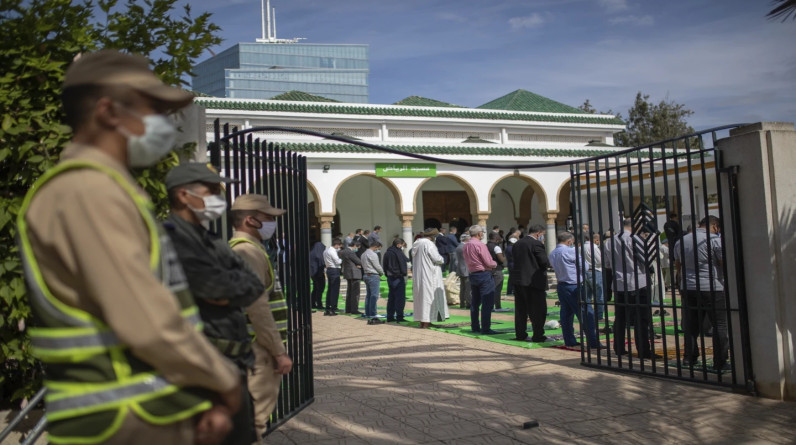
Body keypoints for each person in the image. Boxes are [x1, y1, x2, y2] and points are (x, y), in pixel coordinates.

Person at [17, 50, 241, 445]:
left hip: (140, 414)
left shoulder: (108, 189)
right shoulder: (87, 192)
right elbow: (146, 320)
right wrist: (221, 379)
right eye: (151, 108)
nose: (164, 122)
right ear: (108, 111)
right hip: (123, 422)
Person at [164, 163, 266, 445]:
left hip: (233, 362)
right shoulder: (172, 238)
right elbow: (212, 287)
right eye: (209, 190)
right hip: (204, 366)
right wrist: (230, 285)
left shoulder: (210, 240)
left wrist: (229, 288)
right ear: (184, 195)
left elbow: (253, 285)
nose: (217, 196)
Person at [227, 194, 293, 438]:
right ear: (250, 220)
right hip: (258, 348)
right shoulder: (248, 252)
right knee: (254, 422)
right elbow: (257, 307)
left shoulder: (245, 249)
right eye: (268, 217)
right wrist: (278, 351)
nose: (272, 223)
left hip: (253, 344)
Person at [674, 216, 729, 371]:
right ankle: (720, 361)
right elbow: (723, 263)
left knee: (691, 325)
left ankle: (689, 358)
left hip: (689, 286)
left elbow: (678, 265)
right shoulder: (714, 240)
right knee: (720, 324)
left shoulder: (682, 240)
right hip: (711, 286)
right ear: (715, 226)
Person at [604, 219, 659, 359]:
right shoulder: (635, 239)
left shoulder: (609, 241)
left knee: (620, 318)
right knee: (642, 318)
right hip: (638, 282)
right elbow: (646, 260)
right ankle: (643, 350)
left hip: (619, 283)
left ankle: (619, 348)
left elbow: (608, 264)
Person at [549, 232, 602, 349]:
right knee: (586, 313)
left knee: (566, 314)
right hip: (574, 285)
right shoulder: (570, 251)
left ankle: (569, 340)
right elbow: (585, 266)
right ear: (569, 242)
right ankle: (593, 341)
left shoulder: (553, 253)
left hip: (562, 285)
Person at [510, 225, 550, 342]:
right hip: (533, 281)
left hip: (519, 280)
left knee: (521, 309)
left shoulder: (518, 243)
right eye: (543, 234)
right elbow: (543, 261)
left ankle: (520, 334)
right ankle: (538, 335)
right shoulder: (536, 244)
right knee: (538, 310)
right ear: (538, 234)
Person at [462, 225, 498, 334]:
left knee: (475, 303)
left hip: (473, 274)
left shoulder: (466, 245)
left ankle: (475, 326)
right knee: (487, 303)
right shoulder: (480, 245)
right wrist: (495, 264)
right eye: (482, 232)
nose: (482, 234)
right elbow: (488, 262)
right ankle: (486, 328)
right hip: (483, 274)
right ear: (479, 234)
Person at [411, 228, 449, 328]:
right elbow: (436, 258)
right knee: (429, 298)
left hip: (419, 276)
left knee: (421, 298)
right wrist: (442, 259)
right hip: (429, 275)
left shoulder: (416, 243)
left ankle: (422, 321)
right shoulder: (429, 244)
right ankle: (427, 321)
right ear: (432, 237)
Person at [383, 238, 410, 322]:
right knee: (400, 298)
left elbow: (384, 265)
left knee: (391, 298)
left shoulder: (387, 252)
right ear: (399, 245)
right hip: (398, 277)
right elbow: (405, 261)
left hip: (390, 277)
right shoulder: (398, 253)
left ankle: (390, 317)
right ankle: (399, 317)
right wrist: (404, 272)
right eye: (402, 245)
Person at [582, 232, 606, 322]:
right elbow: (600, 260)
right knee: (599, 295)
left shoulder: (581, 247)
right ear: (596, 240)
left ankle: (588, 314)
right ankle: (599, 316)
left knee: (587, 296)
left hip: (585, 271)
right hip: (595, 271)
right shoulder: (594, 247)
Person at [361, 240, 384, 318]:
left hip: (366, 274)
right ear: (375, 247)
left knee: (369, 295)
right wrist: (382, 273)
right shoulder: (372, 254)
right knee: (374, 295)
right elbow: (377, 266)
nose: (378, 250)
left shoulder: (363, 254)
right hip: (373, 275)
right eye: (378, 248)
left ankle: (368, 312)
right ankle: (373, 313)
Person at [339, 240, 363, 314]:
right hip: (354, 273)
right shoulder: (350, 252)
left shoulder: (343, 251)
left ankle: (348, 308)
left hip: (348, 273)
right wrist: (360, 264)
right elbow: (358, 261)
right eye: (357, 247)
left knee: (349, 292)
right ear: (355, 245)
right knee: (355, 292)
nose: (357, 249)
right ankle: (354, 309)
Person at [486, 231, 507, 309]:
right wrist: (506, 256)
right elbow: (501, 260)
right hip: (497, 270)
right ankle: (497, 306)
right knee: (497, 289)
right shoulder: (496, 247)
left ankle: (488, 306)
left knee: (488, 289)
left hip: (487, 270)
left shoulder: (485, 246)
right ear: (496, 238)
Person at [323, 238, 343, 315]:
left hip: (329, 269)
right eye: (339, 245)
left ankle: (328, 306)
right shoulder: (332, 251)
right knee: (335, 289)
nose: (339, 247)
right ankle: (333, 307)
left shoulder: (326, 250)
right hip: (334, 270)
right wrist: (341, 259)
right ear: (336, 244)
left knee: (330, 289)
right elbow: (337, 261)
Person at [455, 233, 472, 309]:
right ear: (466, 239)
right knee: (467, 288)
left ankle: (462, 303)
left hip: (461, 269)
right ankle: (468, 303)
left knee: (463, 288)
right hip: (465, 269)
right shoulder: (464, 247)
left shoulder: (459, 246)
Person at [309, 238, 326, 310]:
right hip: (318, 273)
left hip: (312, 273)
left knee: (315, 288)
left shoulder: (311, 253)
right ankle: (319, 303)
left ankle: (313, 303)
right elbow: (321, 263)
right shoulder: (319, 254)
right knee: (320, 288)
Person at [505, 230, 520, 296]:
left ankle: (510, 290)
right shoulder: (513, 248)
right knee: (514, 278)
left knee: (511, 278)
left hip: (510, 263)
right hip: (514, 264)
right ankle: (513, 290)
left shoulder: (507, 248)